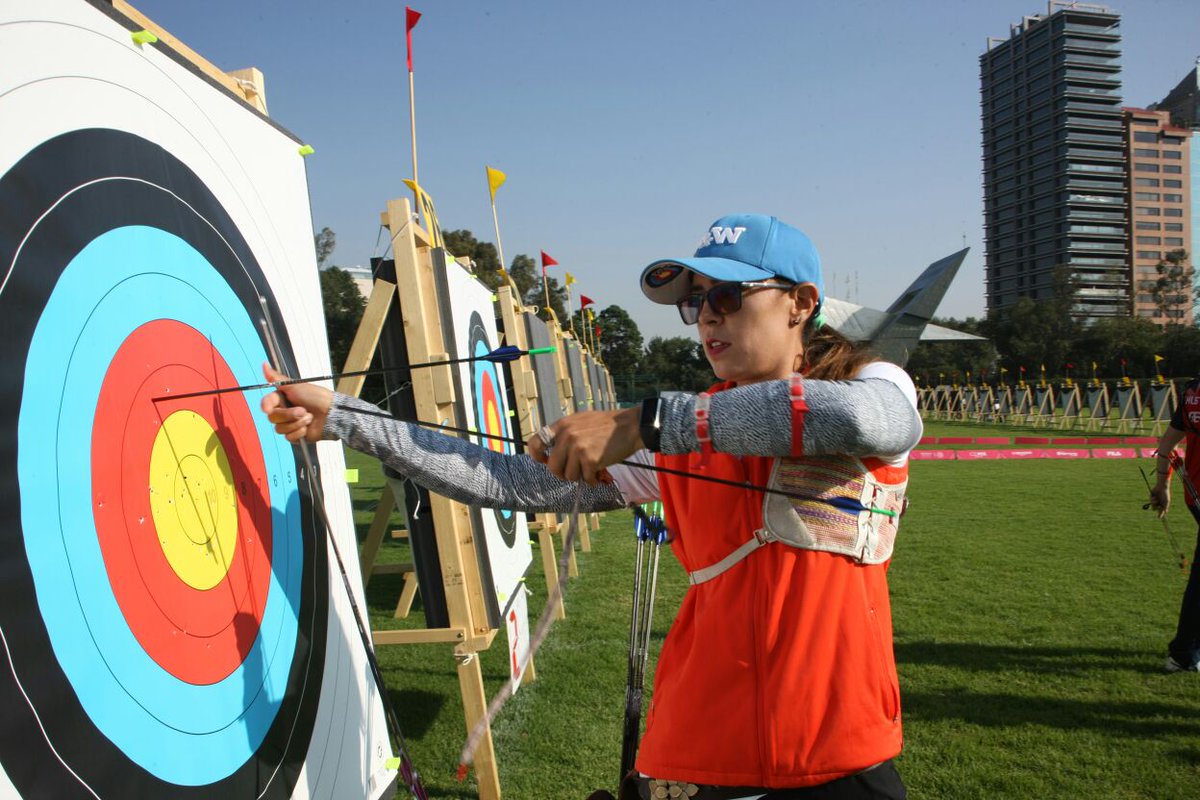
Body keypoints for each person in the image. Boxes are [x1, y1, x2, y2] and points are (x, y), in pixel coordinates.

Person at [263, 213, 921, 799]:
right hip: (713, 755)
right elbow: (504, 480)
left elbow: (868, 422)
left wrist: (646, 422)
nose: (708, 316)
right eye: (695, 304)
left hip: (840, 757)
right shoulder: (679, 438)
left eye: (727, 295)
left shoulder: (871, 383)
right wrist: (349, 419)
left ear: (802, 303)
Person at [1148, 377, 1200, 674]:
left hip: (1195, 495)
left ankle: (1187, 649)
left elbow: (1167, 442)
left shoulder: (1194, 390)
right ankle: (1184, 652)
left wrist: (1162, 485)